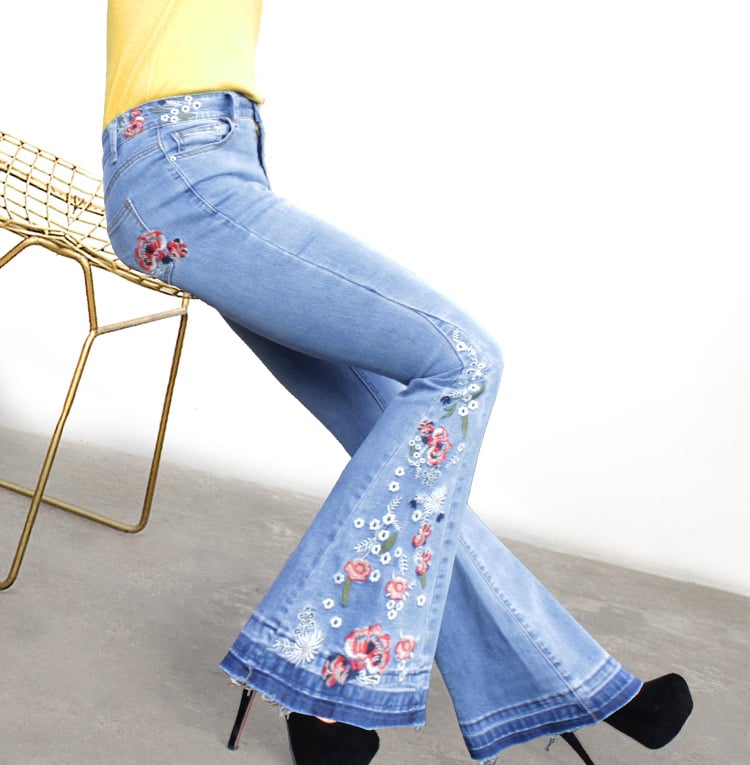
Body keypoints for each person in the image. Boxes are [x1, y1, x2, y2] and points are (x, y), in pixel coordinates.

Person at [102, 2, 693, 763]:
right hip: (184, 165)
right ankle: (322, 682)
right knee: (464, 360)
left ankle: (581, 683)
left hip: (213, 162)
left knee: (414, 448)